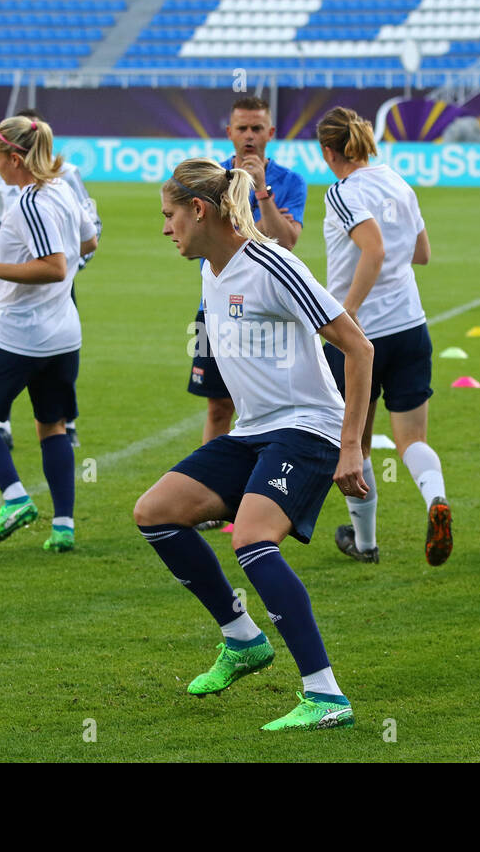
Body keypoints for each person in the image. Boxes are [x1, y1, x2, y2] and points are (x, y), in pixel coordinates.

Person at [134, 157, 372, 730]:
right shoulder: (210, 271)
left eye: (170, 216)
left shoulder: (272, 264)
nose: (165, 229)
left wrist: (350, 445)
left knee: (253, 538)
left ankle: (326, 695)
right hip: (254, 430)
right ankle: (241, 638)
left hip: (308, 427)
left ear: (199, 210)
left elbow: (358, 348)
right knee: (155, 512)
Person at [0, 116, 97, 552]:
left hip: (21, 334)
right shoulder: (64, 191)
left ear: (16, 159)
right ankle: (64, 527)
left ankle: (15, 498)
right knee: (51, 425)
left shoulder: (29, 203)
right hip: (64, 333)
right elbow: (89, 244)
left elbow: (54, 267)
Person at [315, 106, 451, 566]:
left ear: (328, 151)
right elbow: (424, 253)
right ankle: (435, 499)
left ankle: (366, 543)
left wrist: (347, 311)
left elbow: (373, 248)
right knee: (413, 439)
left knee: (355, 441)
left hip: (362, 339)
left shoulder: (341, 192)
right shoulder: (396, 180)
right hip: (411, 325)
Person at [190, 96, 305, 451]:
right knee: (218, 407)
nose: (250, 136)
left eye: (257, 128)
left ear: (271, 132)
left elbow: (285, 242)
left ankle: (263, 487)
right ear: (229, 132)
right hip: (213, 309)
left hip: (269, 312)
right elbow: (204, 237)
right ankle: (215, 498)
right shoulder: (212, 178)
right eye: (242, 128)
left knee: (272, 408)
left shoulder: (290, 181)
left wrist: (261, 191)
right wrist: (261, 225)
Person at [0, 107, 100, 449]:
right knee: (48, 408)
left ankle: (15, 485)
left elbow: (77, 243)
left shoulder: (53, 186)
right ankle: (9, 422)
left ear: (16, 156)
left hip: (37, 291)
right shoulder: (24, 184)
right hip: (23, 284)